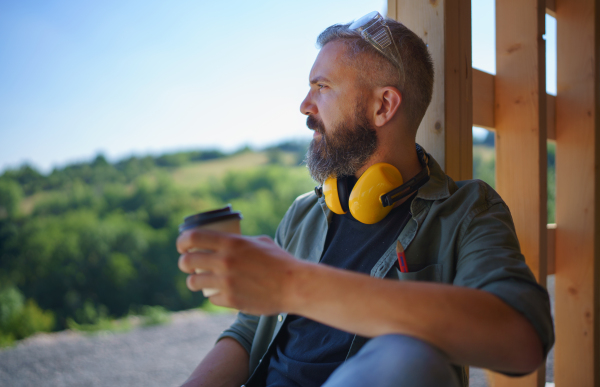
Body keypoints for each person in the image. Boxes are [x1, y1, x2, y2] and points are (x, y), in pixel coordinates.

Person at [176, 11, 554, 387]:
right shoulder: (304, 213)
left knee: (410, 356)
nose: (305, 106)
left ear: (383, 106)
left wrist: (293, 285)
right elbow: (248, 332)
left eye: (322, 87)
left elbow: (522, 339)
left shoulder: (467, 211)